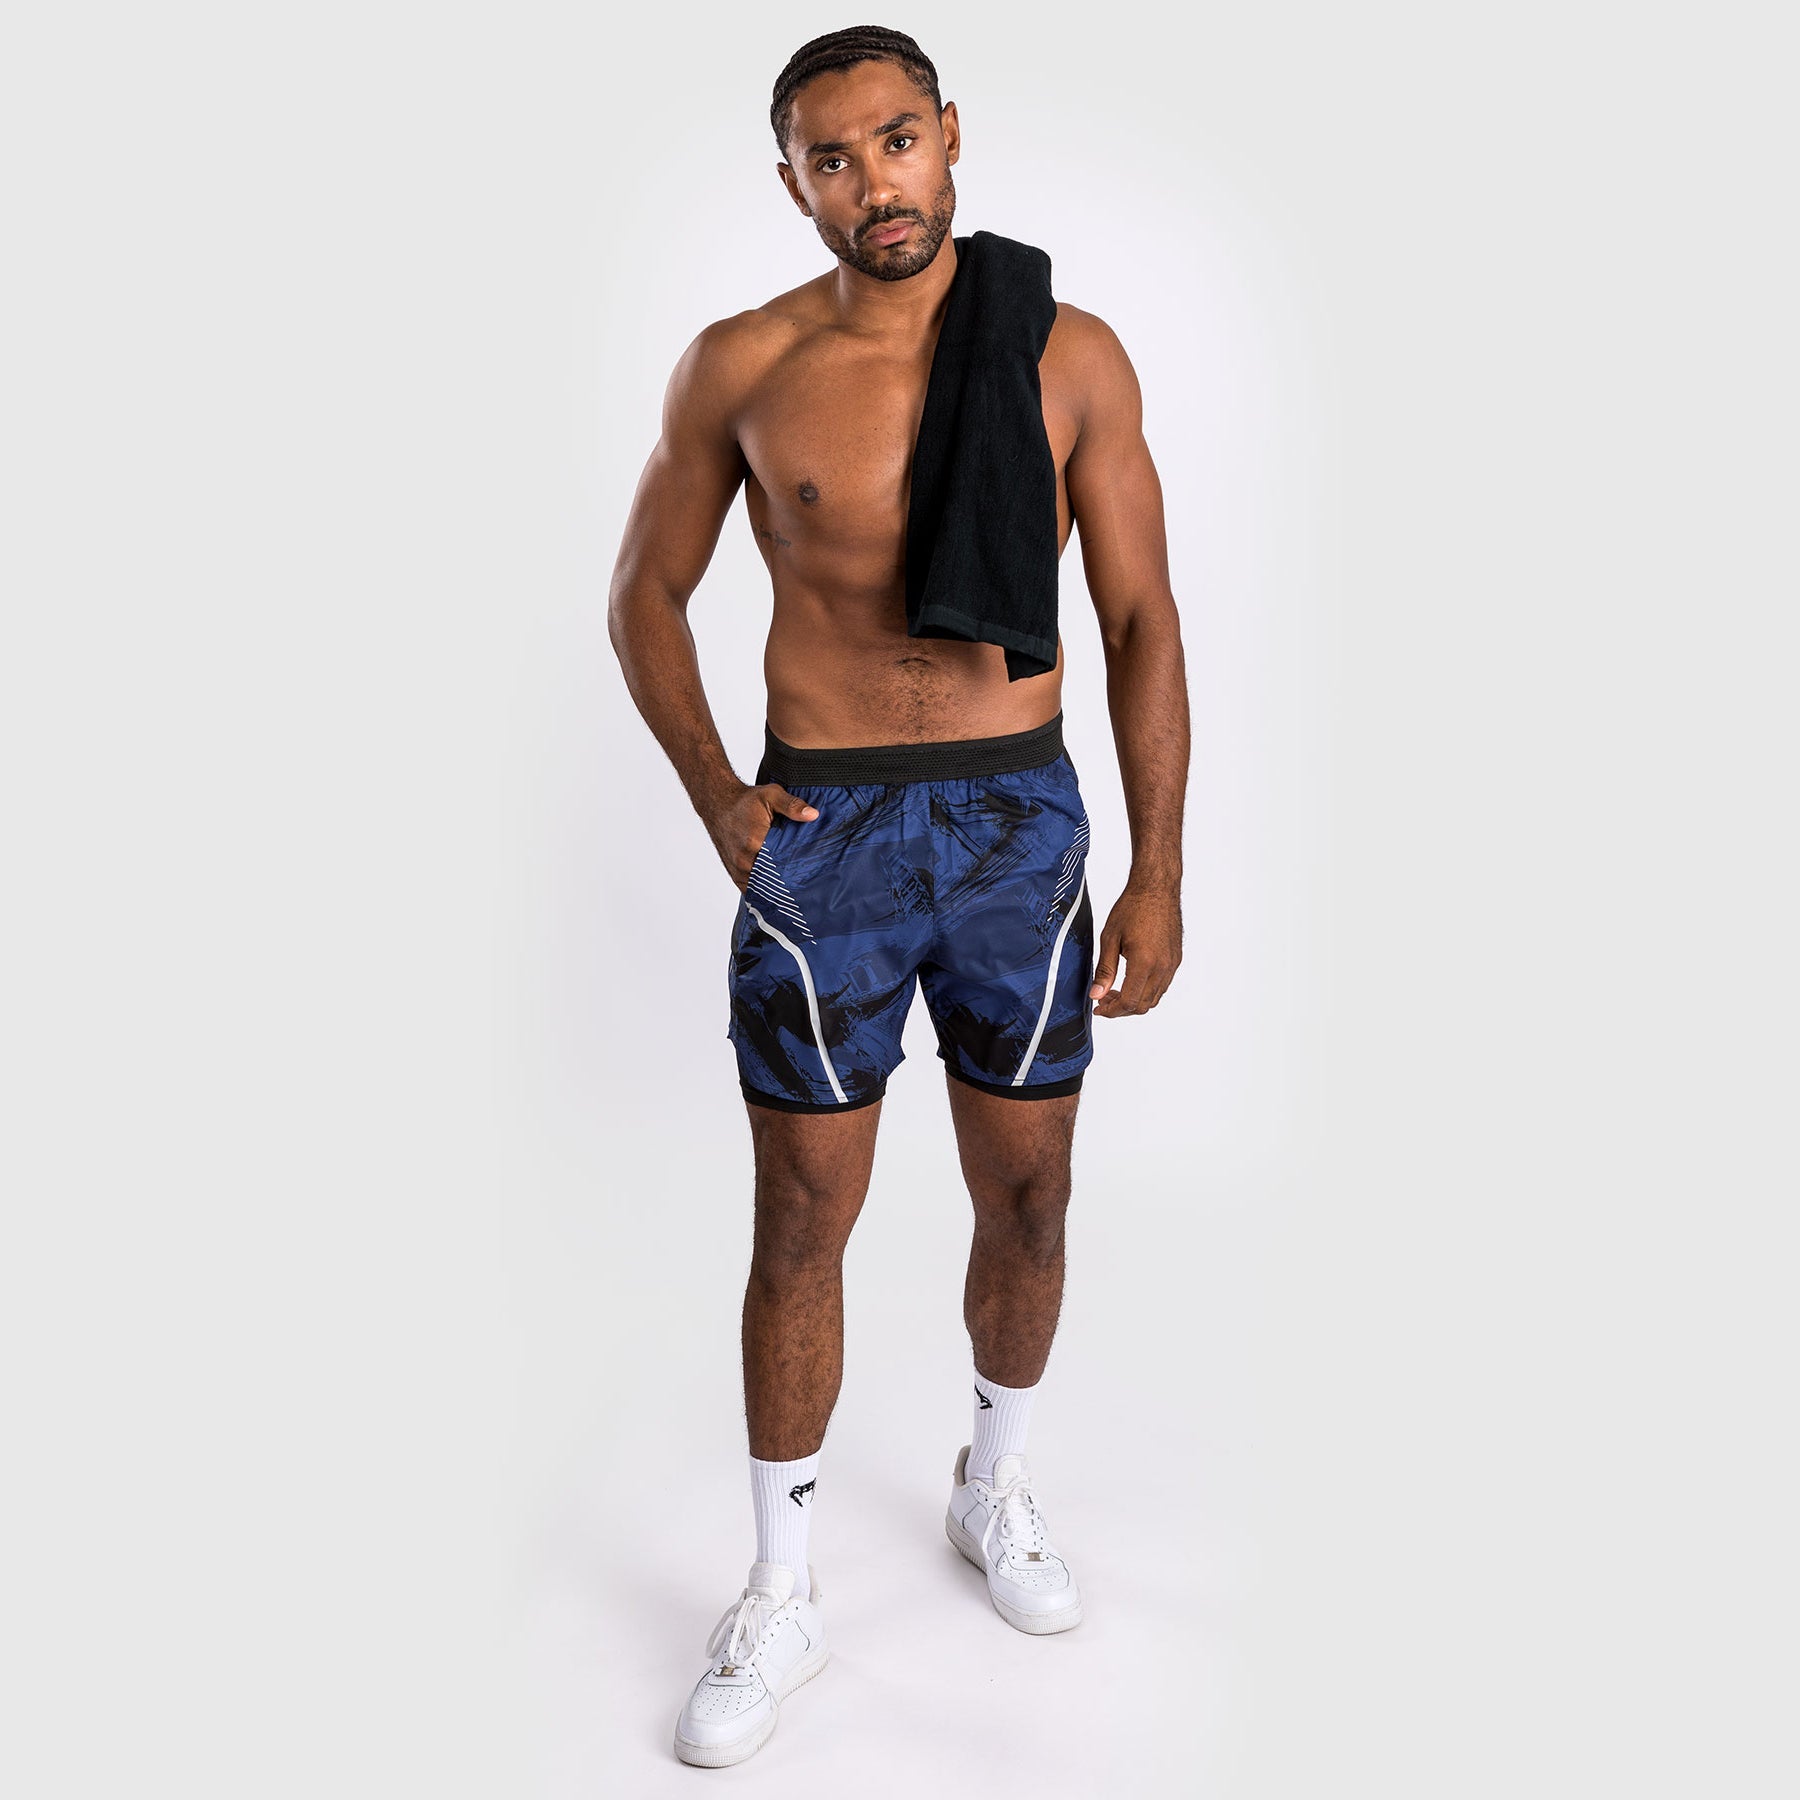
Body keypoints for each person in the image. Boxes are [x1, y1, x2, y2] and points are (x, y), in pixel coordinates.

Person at [607, 24, 1189, 1767]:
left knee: (1032, 1192)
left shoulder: (1067, 353)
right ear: (792, 182)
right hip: (828, 834)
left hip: (1020, 822)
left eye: (897, 139)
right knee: (803, 1213)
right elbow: (644, 593)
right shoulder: (743, 365)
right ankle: (781, 1587)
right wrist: (721, 801)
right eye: (833, 157)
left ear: (950, 136)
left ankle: (991, 1482)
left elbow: (1142, 618)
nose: (875, 182)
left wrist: (1160, 866)